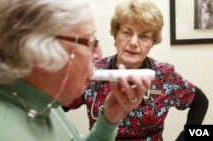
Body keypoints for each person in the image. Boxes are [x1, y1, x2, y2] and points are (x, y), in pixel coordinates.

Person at [0, 0, 152, 141]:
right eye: (90, 42)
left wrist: (111, 117)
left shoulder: (40, 96)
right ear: (38, 49)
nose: (98, 54)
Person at [63, 0, 209, 140]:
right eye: (127, 32)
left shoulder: (165, 76)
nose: (133, 43)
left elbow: (201, 102)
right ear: (115, 35)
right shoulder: (94, 73)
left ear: (152, 43)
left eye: (144, 36)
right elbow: (53, 104)